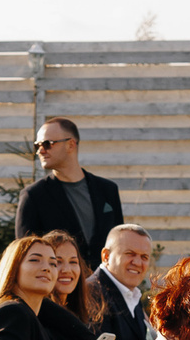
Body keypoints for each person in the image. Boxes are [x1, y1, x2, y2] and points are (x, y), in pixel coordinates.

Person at [14, 116, 125, 271]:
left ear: (71, 144)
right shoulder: (33, 196)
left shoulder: (107, 190)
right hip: (58, 288)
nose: (41, 150)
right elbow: (25, 254)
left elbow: (120, 242)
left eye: (47, 144)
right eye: (37, 145)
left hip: (104, 289)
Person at [90, 223, 156, 340]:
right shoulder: (93, 294)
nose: (138, 262)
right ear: (106, 256)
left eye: (144, 257)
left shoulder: (130, 293)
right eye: (130, 254)